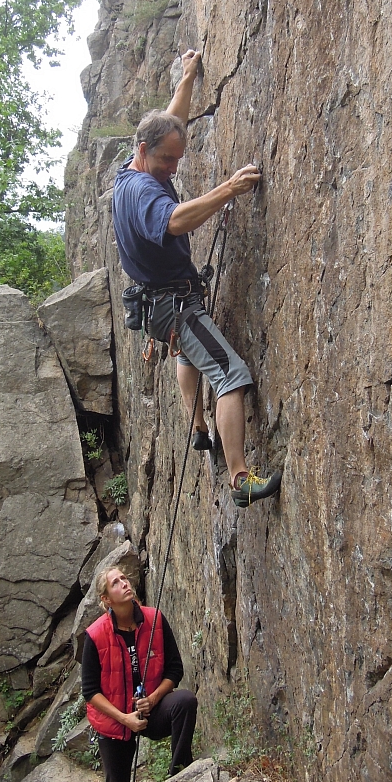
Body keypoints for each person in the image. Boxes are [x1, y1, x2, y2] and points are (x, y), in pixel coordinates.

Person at [112, 48, 282, 508]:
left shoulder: (129, 172)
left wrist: (188, 77)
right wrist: (227, 189)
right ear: (144, 152)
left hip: (157, 306)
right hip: (174, 304)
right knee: (230, 373)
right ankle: (240, 479)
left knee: (192, 353)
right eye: (167, 160)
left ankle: (199, 428)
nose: (173, 168)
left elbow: (170, 121)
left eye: (177, 160)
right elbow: (173, 222)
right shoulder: (146, 192)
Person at [82, 565, 198, 782]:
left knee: (185, 701)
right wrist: (125, 719)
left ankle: (178, 777)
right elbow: (90, 691)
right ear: (106, 599)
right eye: (115, 582)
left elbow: (175, 669)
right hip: (115, 722)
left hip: (150, 711)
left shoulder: (154, 618)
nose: (124, 583)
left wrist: (153, 699)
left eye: (124, 578)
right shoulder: (95, 635)